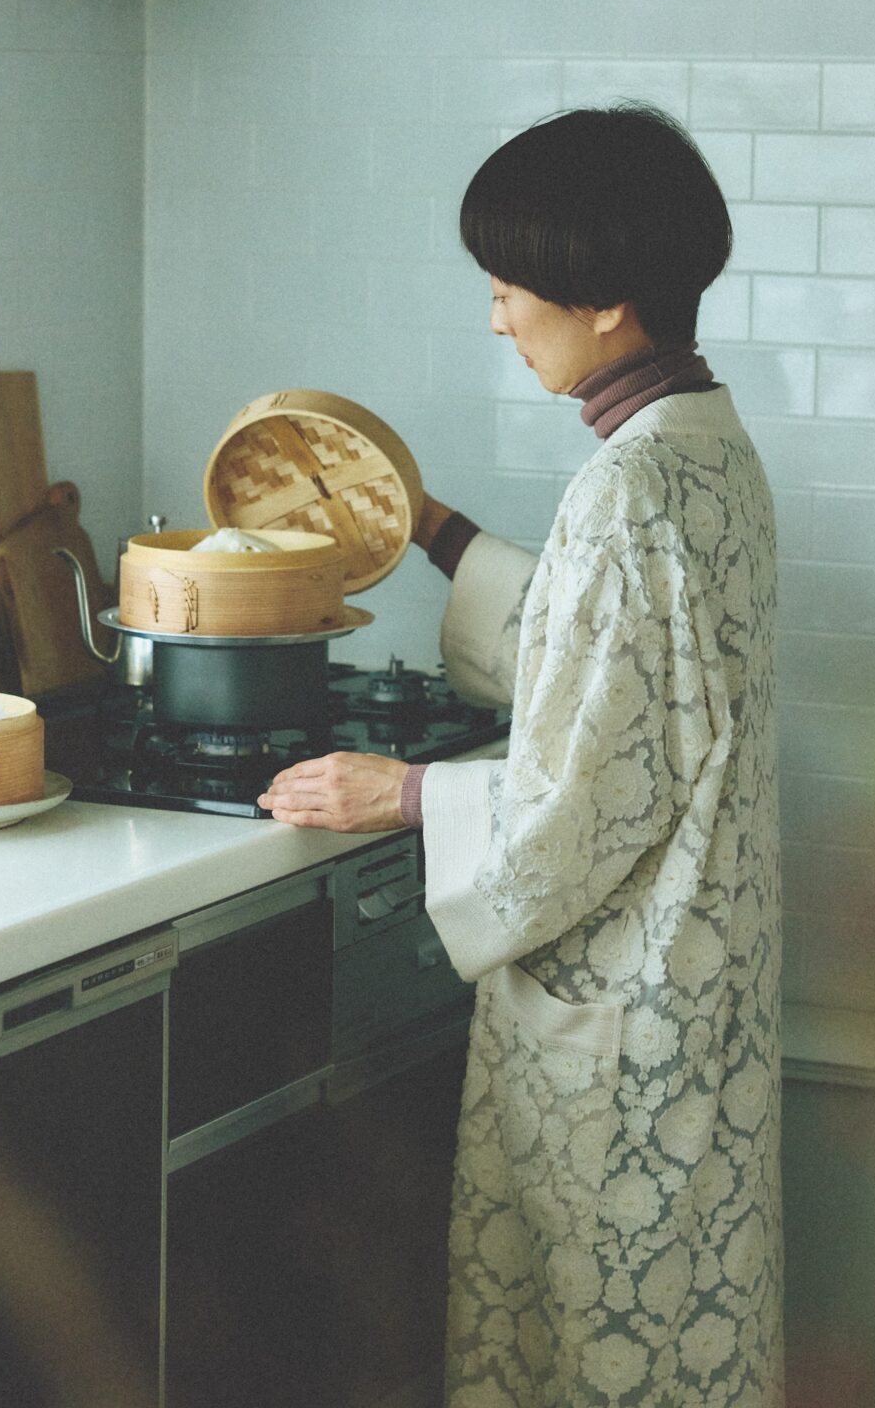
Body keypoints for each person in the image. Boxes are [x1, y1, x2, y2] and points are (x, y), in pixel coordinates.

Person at [260, 104, 783, 1407]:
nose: (496, 319)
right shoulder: (702, 446)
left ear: (600, 298)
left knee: (593, 1366)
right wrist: (427, 527)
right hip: (695, 1007)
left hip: (622, 1033)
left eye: (504, 288)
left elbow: (586, 800)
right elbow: (614, 672)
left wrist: (405, 789)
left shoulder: (625, 493)